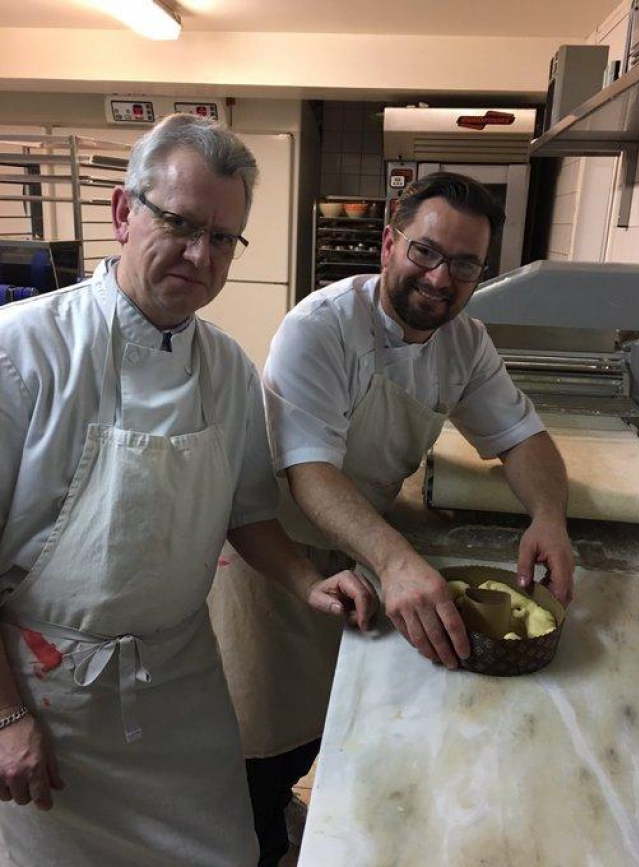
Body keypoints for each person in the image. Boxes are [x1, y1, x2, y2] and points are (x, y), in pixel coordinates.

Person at [0, 114, 377, 867]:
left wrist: (310, 581)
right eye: (179, 223)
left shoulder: (227, 368)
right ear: (122, 212)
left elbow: (245, 512)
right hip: (48, 693)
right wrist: (5, 715)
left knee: (225, 851)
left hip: (178, 685)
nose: (199, 254)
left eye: (223, 237)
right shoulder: (23, 352)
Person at [213, 172, 575, 865]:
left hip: (361, 551)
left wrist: (550, 516)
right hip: (276, 557)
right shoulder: (320, 329)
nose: (442, 278)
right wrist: (398, 559)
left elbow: (522, 439)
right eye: (427, 252)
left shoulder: (463, 342)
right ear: (389, 242)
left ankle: (289, 812)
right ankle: (257, 841)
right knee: (259, 739)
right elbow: (308, 471)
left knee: (335, 720)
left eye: (465, 264)